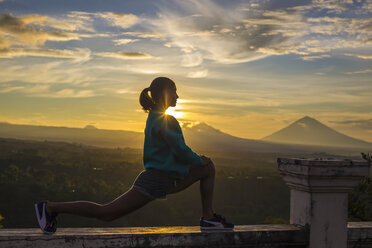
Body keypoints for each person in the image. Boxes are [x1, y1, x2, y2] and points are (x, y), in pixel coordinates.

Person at [35, 76, 234, 234]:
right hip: (157, 179)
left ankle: (208, 217)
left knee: (208, 169)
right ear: (166, 93)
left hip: (159, 178)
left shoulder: (153, 117)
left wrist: (199, 163)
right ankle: (51, 207)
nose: (178, 96)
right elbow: (181, 151)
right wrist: (200, 160)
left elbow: (173, 152)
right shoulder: (166, 120)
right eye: (175, 92)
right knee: (107, 212)